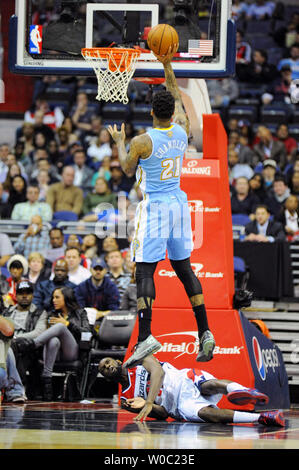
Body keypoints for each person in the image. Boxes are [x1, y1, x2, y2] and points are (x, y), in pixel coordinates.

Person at [108, 45, 215, 368]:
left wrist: (118, 144)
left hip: (154, 206)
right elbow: (175, 95)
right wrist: (168, 65)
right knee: (184, 269)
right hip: (179, 204)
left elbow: (127, 170)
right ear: (172, 112)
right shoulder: (182, 130)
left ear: (152, 112)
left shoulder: (141, 141)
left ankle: (145, 337)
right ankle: (205, 332)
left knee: (144, 269)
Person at [98, 354, 285, 426]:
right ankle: (263, 417)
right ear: (105, 378)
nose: (106, 366)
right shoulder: (125, 398)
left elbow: (158, 371)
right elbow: (163, 414)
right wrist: (147, 407)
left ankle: (244, 391)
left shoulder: (137, 359)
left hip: (182, 379)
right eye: (103, 369)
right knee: (209, 414)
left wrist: (147, 401)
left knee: (209, 385)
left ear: (118, 361)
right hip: (178, 405)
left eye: (107, 362)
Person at [16, 286, 92, 400]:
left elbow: (87, 333)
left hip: (71, 352)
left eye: (57, 297)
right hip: (54, 352)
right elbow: (47, 335)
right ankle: (47, 383)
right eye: (53, 297)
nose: (53, 300)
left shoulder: (80, 312)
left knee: (61, 326)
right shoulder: (52, 314)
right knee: (53, 340)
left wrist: (68, 324)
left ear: (66, 298)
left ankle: (33, 344)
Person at [2, 280, 48, 399]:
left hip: (29, 347)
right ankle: (13, 390)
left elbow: (38, 332)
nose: (24, 295)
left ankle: (16, 389)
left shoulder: (39, 312)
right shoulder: (7, 312)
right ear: (16, 295)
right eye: (21, 292)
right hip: (8, 345)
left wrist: (15, 338)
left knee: (13, 346)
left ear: (32, 295)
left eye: (27, 292)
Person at [0, 316, 27, 402]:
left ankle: (15, 391)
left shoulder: (6, 322)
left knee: (8, 351)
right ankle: (15, 390)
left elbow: (9, 331)